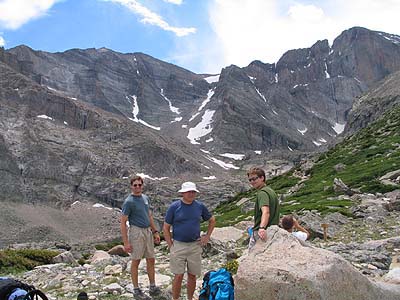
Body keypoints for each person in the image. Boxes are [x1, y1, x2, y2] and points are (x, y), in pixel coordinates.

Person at [163, 182, 216, 300]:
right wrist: (170, 245)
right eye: (188, 192)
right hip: (178, 245)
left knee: (192, 275)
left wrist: (207, 236)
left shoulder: (200, 206)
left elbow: (212, 220)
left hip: (195, 245)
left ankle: (190, 298)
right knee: (178, 276)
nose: (191, 194)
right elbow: (166, 227)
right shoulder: (174, 207)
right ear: (182, 193)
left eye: (193, 192)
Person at [120, 176, 161, 300]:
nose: (137, 187)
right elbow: (123, 222)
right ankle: (136, 289)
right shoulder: (129, 202)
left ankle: (152, 286)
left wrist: (155, 231)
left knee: (151, 259)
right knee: (136, 260)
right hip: (136, 231)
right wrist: (126, 243)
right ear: (131, 186)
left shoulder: (145, 198)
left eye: (139, 185)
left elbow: (149, 215)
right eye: (135, 185)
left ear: (142, 186)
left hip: (147, 230)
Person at [247, 167, 280, 249]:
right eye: (250, 180)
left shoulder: (262, 193)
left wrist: (262, 228)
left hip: (261, 232)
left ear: (262, 178)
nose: (252, 182)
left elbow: (266, 212)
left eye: (254, 179)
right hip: (273, 229)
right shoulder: (270, 191)